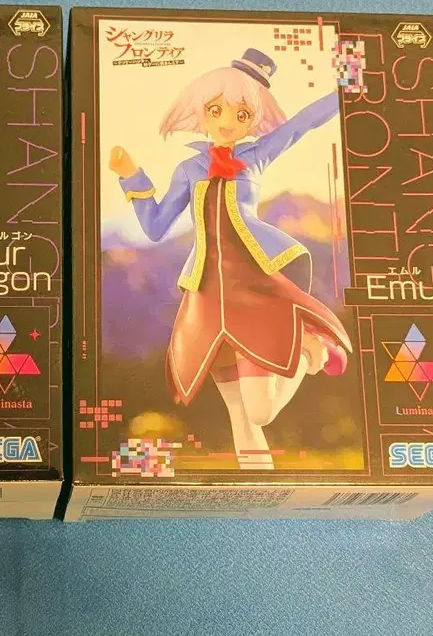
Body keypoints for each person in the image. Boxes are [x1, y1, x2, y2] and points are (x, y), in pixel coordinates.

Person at [109, 48, 351, 470]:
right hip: (208, 297)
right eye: (216, 109)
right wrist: (131, 175)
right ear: (200, 110)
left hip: (253, 289)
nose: (227, 121)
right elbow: (155, 227)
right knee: (241, 413)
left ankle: (307, 348)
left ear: (253, 119)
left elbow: (304, 123)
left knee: (260, 411)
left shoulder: (255, 156)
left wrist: (348, 88)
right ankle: (259, 488)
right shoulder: (189, 169)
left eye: (242, 114)